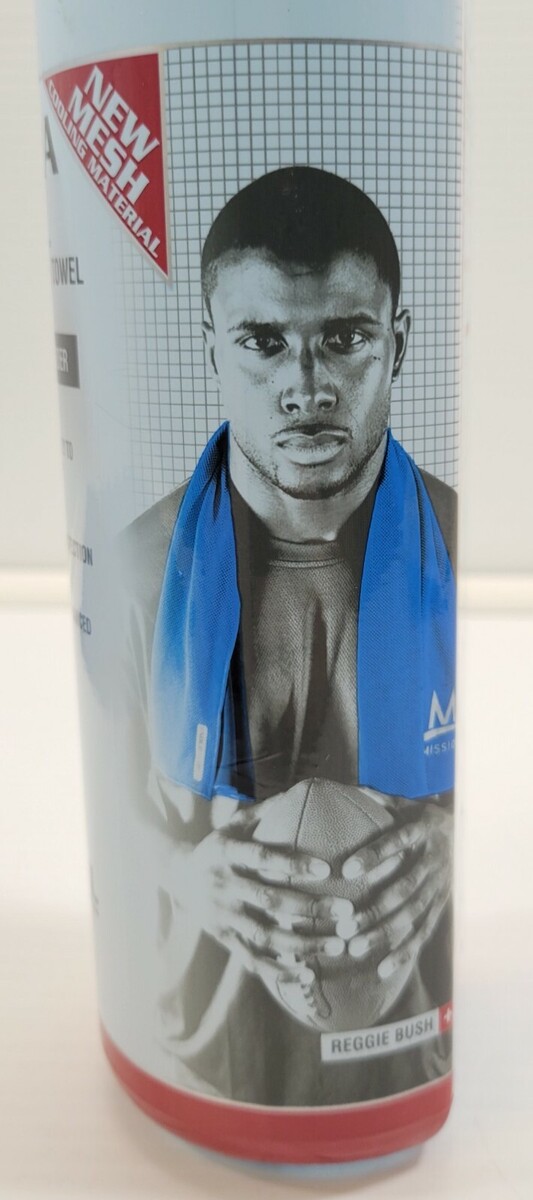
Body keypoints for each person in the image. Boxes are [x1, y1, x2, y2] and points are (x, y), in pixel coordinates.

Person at [119, 166, 456, 1106]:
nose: (304, 387)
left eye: (343, 338)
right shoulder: (140, 568)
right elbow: (107, 789)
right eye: (262, 343)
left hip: (420, 1045)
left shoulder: (459, 548)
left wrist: (451, 837)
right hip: (203, 1053)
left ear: (397, 344)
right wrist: (182, 872)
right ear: (212, 352)